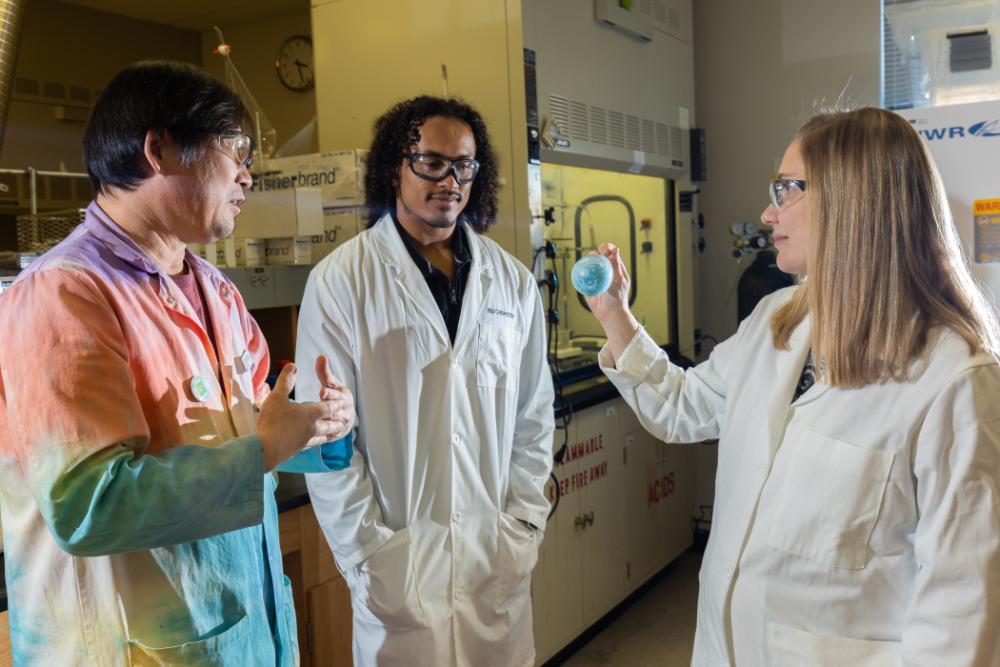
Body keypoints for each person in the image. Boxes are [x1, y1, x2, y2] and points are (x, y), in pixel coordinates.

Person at [586, 107, 1000, 665]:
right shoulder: (776, 319)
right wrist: (615, 315)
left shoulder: (952, 378)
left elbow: (963, 611)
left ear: (853, 198)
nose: (766, 211)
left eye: (786, 189)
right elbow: (682, 409)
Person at [0, 61, 356, 665]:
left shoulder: (213, 288)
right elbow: (88, 507)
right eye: (236, 149)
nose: (248, 175)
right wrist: (262, 451)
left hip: (239, 626)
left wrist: (316, 425)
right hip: (131, 646)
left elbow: (246, 423)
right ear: (159, 149)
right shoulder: (66, 293)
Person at [296, 95, 555, 666]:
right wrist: (368, 554)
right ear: (395, 166)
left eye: (464, 166)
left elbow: (533, 416)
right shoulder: (341, 283)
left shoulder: (510, 282)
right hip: (397, 559)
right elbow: (325, 439)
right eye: (431, 162)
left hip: (495, 555)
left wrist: (525, 519)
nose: (451, 180)